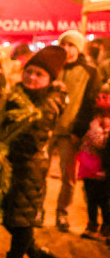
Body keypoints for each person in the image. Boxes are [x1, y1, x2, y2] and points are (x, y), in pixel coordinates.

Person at [0, 46, 67, 258]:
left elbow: (30, 142)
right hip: (10, 165)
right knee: (11, 218)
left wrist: (1, 149)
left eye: (39, 74)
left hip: (27, 168)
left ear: (50, 79)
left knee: (19, 219)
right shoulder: (18, 95)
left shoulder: (47, 104)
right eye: (29, 71)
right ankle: (38, 256)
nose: (32, 77)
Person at [52, 29, 100, 232]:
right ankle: (36, 210)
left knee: (68, 176)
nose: (66, 48)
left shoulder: (90, 71)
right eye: (63, 44)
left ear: (79, 48)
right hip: (46, 129)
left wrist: (78, 131)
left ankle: (62, 212)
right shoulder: (53, 65)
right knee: (36, 172)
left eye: (71, 45)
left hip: (69, 131)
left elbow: (90, 103)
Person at [76, 89, 110, 241]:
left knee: (103, 198)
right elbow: (95, 140)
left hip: (103, 165)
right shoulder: (94, 120)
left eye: (105, 97)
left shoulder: (101, 123)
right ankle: (93, 224)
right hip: (90, 163)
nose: (100, 99)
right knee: (91, 196)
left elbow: (102, 143)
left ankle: (105, 225)